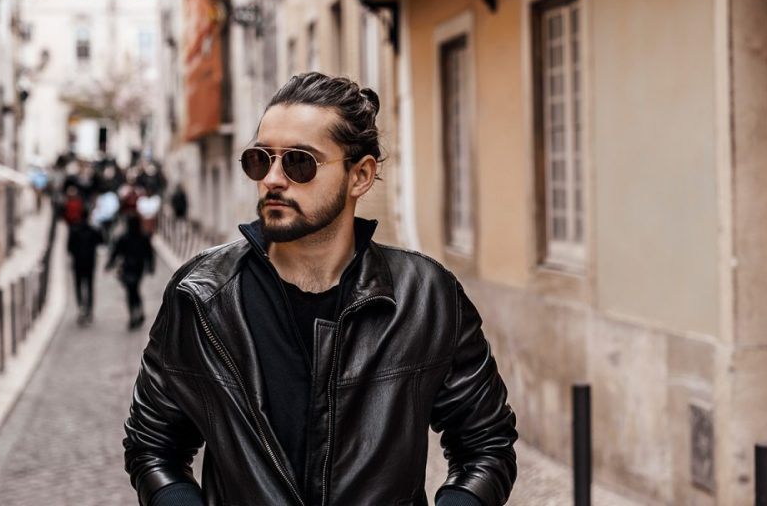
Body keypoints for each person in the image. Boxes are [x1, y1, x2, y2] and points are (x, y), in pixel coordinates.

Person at [123, 73, 517, 506]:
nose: (273, 178)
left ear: (360, 176)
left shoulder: (426, 297)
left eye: (298, 162)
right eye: (260, 159)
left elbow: (486, 444)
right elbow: (153, 446)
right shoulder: (201, 296)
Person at [108, 214, 155, 330]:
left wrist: (110, 264)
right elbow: (149, 254)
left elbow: (116, 252)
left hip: (128, 267)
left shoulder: (124, 237)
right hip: (139, 268)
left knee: (131, 291)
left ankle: (134, 315)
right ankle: (138, 312)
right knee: (134, 289)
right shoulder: (143, 237)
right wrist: (150, 267)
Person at [67, 220, 102, 324]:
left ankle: (81, 307)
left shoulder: (74, 231)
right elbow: (101, 241)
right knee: (90, 286)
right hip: (90, 263)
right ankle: (89, 309)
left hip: (78, 263)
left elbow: (69, 248)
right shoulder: (93, 230)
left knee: (78, 286)